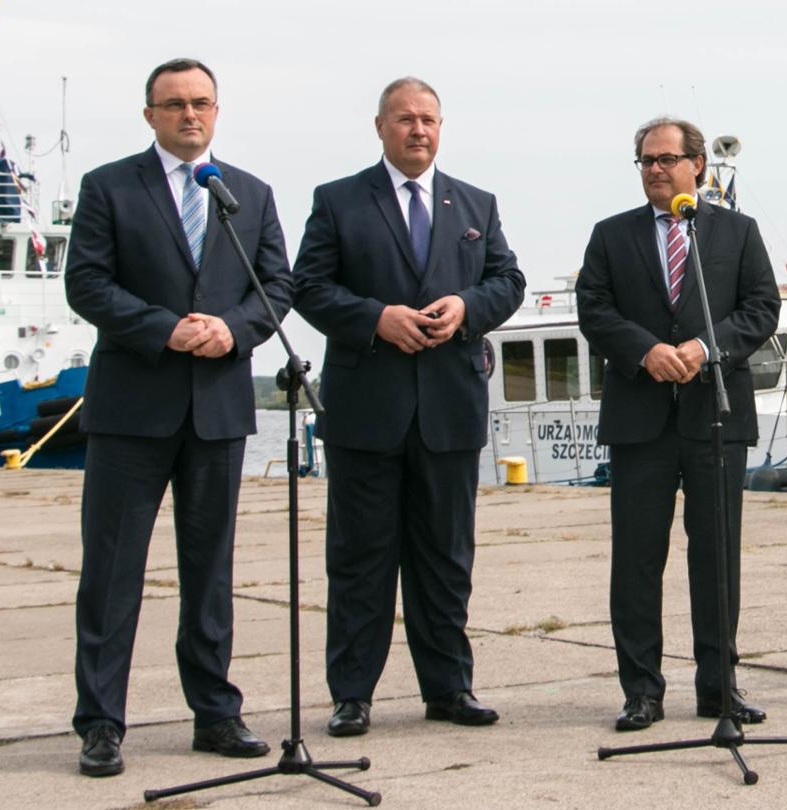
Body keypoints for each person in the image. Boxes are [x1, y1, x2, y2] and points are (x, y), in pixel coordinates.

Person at [65, 58, 292, 777]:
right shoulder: (109, 187)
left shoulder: (245, 194)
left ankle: (216, 714)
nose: (189, 115)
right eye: (174, 105)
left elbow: (277, 283)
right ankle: (101, 722)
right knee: (113, 572)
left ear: (216, 112)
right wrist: (163, 327)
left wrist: (234, 330)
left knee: (211, 572)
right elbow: (87, 282)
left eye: (201, 103)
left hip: (218, 409)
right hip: (134, 409)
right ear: (150, 115)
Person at [293, 77, 526, 736]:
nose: (417, 130)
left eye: (427, 119)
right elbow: (307, 285)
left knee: (446, 559)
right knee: (361, 559)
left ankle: (449, 688)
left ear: (441, 126)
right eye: (404, 119)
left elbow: (508, 281)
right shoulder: (338, 201)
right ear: (380, 127)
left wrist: (467, 308)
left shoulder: (475, 203)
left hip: (449, 411)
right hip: (369, 411)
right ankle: (352, 695)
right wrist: (375, 318)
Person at [575, 116, 781, 731]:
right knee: (637, 561)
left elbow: (761, 307)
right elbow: (595, 309)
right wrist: (644, 350)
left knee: (716, 559)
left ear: (698, 166)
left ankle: (719, 688)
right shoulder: (611, 236)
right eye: (645, 161)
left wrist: (704, 348)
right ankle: (641, 690)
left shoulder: (736, 232)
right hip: (640, 418)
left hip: (713, 414)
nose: (656, 170)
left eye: (666, 159)